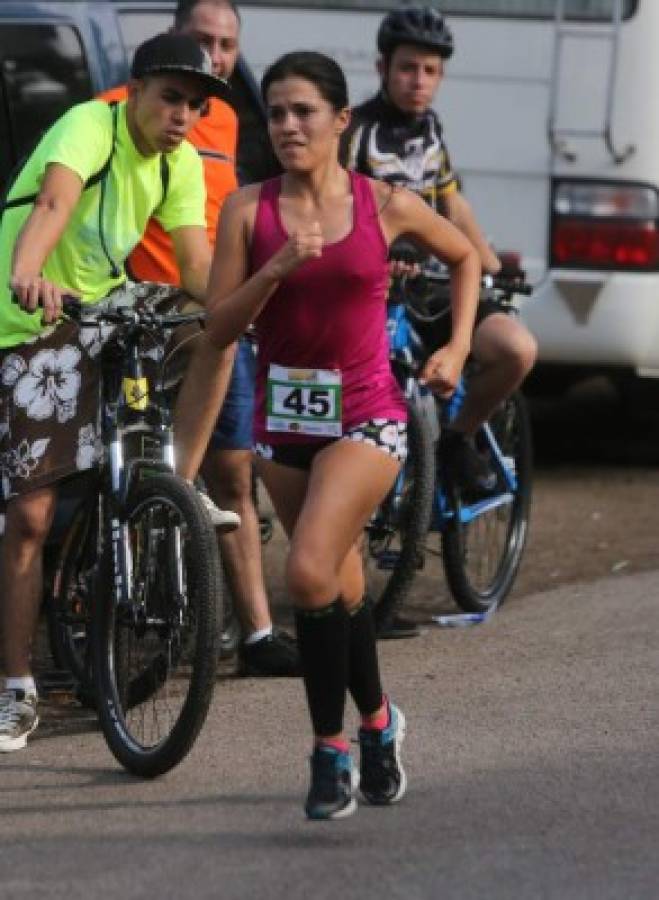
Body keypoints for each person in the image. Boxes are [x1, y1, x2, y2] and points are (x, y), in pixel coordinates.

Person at [201, 50, 481, 819]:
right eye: (276, 111)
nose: (287, 125)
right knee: (338, 586)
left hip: (368, 415)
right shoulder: (245, 209)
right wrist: (275, 269)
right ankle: (379, 723)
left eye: (303, 112)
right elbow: (218, 329)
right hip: (283, 421)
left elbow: (463, 260)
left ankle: (328, 754)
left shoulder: (384, 204)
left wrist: (455, 347)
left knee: (309, 571)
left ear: (339, 120)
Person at [0, 32, 235, 752]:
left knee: (213, 334)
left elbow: (195, 265)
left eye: (195, 106)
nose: (182, 116)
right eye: (170, 98)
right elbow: (51, 204)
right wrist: (30, 273)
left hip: (101, 308)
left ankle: (175, 483)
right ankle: (15, 688)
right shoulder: (88, 125)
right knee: (32, 517)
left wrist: (250, 297)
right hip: (28, 315)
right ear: (132, 91)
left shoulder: (182, 163)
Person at [101, 0, 299, 677]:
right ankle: (134, 629)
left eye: (227, 44)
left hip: (214, 317)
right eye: (203, 40)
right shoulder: (122, 110)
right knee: (137, 470)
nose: (216, 56)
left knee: (233, 474)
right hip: (146, 317)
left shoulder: (227, 117)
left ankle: (257, 634)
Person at [343, 5, 538, 636]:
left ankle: (459, 438)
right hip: (381, 294)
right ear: (382, 68)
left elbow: (453, 203)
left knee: (514, 348)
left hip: (439, 288)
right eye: (407, 68)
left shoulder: (431, 131)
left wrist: (487, 263)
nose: (418, 80)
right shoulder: (358, 133)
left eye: (430, 70)